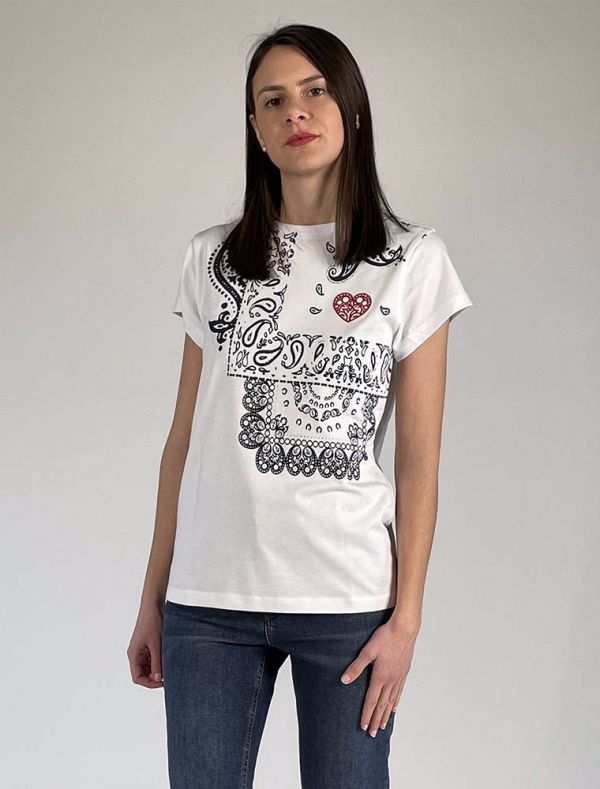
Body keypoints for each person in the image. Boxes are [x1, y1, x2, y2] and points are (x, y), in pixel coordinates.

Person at [127, 23, 474, 789]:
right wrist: (153, 596)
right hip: (208, 603)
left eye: (315, 91)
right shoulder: (213, 259)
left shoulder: (412, 261)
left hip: (347, 599)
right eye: (273, 100)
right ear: (255, 127)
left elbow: (419, 459)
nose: (296, 112)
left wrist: (407, 618)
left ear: (352, 107)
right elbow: (183, 440)